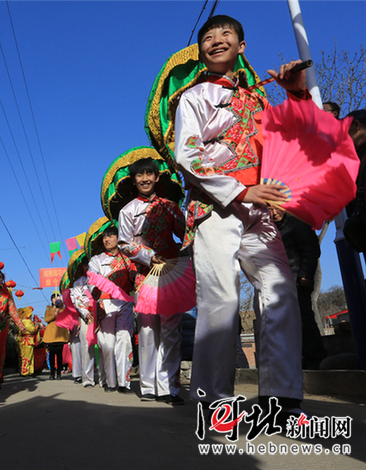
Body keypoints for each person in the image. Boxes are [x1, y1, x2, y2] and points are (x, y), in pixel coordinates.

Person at [174, 15, 310, 418]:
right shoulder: (194, 97)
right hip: (216, 207)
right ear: (202, 50)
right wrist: (238, 189)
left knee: (280, 291)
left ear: (242, 46)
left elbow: (294, 143)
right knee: (221, 299)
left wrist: (297, 95)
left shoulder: (260, 99)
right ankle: (212, 400)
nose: (216, 40)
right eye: (208, 37)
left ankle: (281, 396)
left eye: (226, 34)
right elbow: (187, 153)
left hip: (261, 211)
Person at [118, 157, 186, 405]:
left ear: (158, 178)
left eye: (150, 174)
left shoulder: (171, 207)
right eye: (140, 175)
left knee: (171, 330)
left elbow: (186, 235)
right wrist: (148, 256)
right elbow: (125, 244)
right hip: (144, 276)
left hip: (171, 274)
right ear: (134, 180)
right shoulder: (127, 212)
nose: (145, 178)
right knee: (147, 330)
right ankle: (148, 386)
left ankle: (169, 388)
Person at [269, 206, 327, 370]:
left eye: (275, 208)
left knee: (304, 319)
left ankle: (315, 359)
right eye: (269, 209)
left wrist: (305, 275)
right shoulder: (270, 229)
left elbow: (311, 250)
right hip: (281, 283)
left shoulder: (298, 223)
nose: (273, 213)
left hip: (298, 280)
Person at [88, 225, 135, 393]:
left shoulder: (128, 258)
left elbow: (136, 278)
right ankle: (110, 381)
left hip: (125, 302)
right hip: (105, 303)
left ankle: (124, 382)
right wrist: (93, 287)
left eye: (110, 236)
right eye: (104, 237)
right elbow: (92, 277)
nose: (107, 239)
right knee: (107, 345)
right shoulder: (97, 259)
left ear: (118, 237)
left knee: (124, 340)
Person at [0, 267, 22, 389]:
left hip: (2, 327)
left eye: (0, 277)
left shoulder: (6, 294)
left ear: (3, 279)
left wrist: (20, 325)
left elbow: (12, 309)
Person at [69, 259, 96, 387]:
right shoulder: (78, 283)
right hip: (87, 317)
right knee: (87, 346)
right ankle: (88, 378)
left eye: (89, 264)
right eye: (85, 265)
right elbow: (77, 300)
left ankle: (106, 378)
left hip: (102, 314)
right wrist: (85, 313)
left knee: (105, 345)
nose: (88, 267)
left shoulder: (99, 278)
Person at [43, 292, 70, 380]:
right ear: (51, 300)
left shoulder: (63, 309)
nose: (56, 300)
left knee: (59, 355)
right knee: (51, 355)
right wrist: (54, 315)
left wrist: (59, 312)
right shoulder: (48, 308)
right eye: (54, 299)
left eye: (58, 298)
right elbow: (46, 319)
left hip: (60, 334)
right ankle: (52, 374)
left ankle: (59, 373)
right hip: (51, 335)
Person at [16, 307, 37, 376]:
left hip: (21, 340)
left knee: (21, 356)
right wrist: (36, 327)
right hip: (27, 341)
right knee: (28, 356)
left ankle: (22, 370)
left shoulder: (20, 321)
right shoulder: (27, 321)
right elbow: (32, 330)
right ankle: (26, 371)